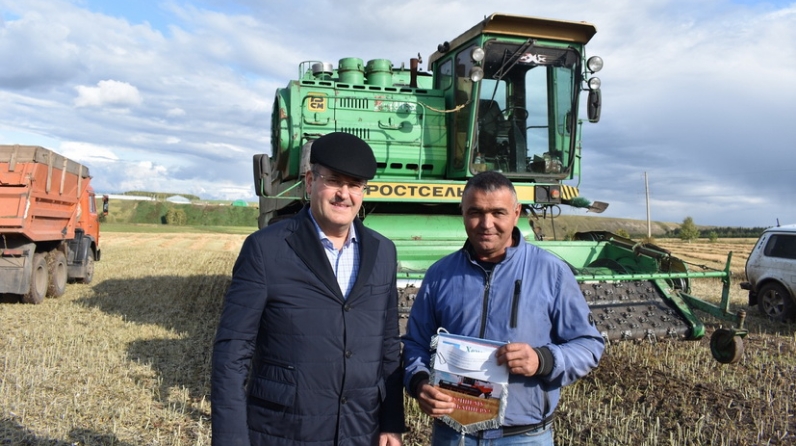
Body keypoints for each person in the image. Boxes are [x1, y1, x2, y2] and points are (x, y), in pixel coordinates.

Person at [211, 132, 404, 446]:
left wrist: (391, 423)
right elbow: (232, 354)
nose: (344, 194)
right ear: (311, 181)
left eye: (355, 184)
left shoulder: (383, 251)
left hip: (359, 431)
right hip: (284, 432)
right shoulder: (266, 249)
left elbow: (388, 346)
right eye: (334, 181)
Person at [402, 171, 604, 446]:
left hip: (524, 437)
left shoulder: (551, 272)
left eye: (498, 213)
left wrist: (542, 360)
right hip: (454, 435)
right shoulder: (440, 274)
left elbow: (588, 345)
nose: (487, 224)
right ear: (462, 212)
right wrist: (419, 382)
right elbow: (416, 343)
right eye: (475, 212)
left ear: (516, 213)